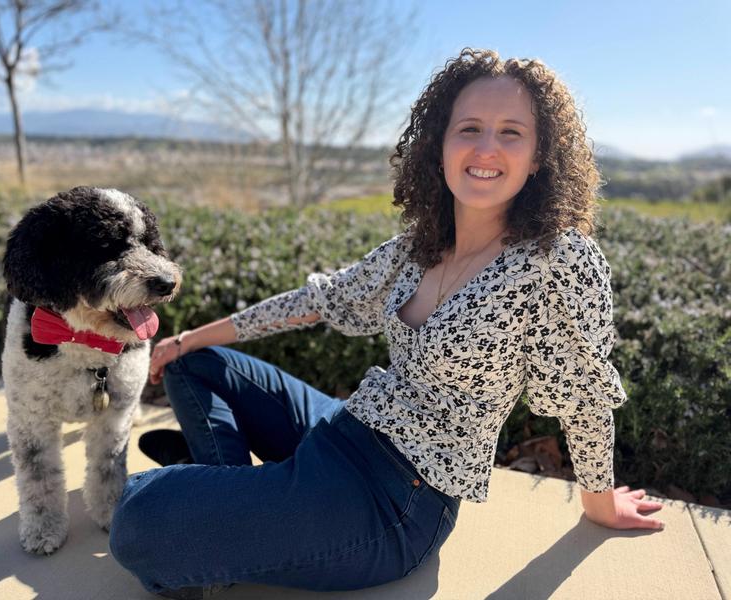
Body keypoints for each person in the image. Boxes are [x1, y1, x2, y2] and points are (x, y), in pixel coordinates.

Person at [109, 47, 665, 598]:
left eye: (511, 132)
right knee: (196, 365)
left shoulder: (558, 260)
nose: (486, 148)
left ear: (540, 155)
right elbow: (313, 303)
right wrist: (183, 338)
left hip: (399, 503)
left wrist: (600, 503)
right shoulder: (418, 248)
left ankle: (224, 509)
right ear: (441, 145)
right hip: (348, 426)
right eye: (469, 128)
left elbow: (584, 393)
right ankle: (235, 509)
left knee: (135, 515)